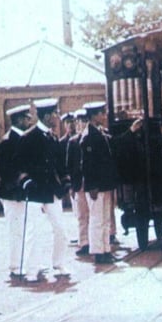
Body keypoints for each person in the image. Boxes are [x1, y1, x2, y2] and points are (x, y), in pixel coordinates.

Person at [14, 98, 71, 281]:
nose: (57, 117)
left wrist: (65, 181)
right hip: (35, 192)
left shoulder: (53, 137)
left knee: (60, 229)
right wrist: (26, 182)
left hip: (52, 191)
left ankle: (59, 263)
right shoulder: (28, 137)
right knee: (33, 232)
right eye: (55, 114)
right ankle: (32, 270)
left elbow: (60, 164)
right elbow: (18, 165)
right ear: (47, 116)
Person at [80, 102, 120, 265]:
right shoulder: (89, 136)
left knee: (105, 219)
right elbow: (88, 164)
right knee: (97, 219)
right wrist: (92, 186)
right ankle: (97, 251)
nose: (104, 115)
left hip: (105, 184)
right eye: (101, 113)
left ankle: (105, 249)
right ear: (94, 116)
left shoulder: (99, 132)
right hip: (97, 186)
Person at [0, 104, 32, 277]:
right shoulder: (7, 142)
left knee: (25, 230)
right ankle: (15, 266)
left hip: (23, 194)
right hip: (12, 195)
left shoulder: (23, 139)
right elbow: (5, 172)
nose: (29, 121)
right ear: (18, 120)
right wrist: (18, 189)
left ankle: (23, 263)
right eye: (26, 118)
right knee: (16, 231)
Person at [66, 108, 90, 256]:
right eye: (78, 121)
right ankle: (84, 242)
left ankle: (94, 241)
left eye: (84, 121)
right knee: (82, 215)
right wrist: (72, 185)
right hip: (79, 184)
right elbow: (69, 165)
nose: (80, 124)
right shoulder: (72, 142)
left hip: (92, 183)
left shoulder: (91, 138)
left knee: (94, 215)